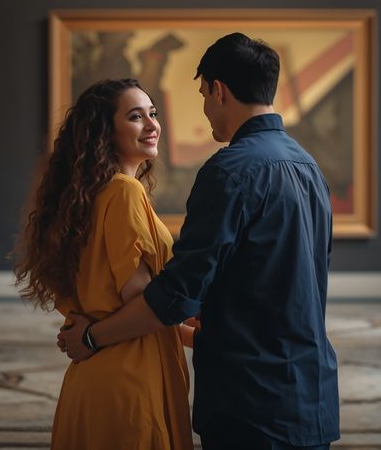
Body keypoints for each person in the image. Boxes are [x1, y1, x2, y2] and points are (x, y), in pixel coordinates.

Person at [58, 33, 341, 450]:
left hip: (249, 400)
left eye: (203, 94)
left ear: (218, 91)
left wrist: (90, 338)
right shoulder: (308, 167)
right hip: (309, 391)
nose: (205, 108)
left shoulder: (229, 171)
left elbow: (177, 294)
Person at [12, 78, 194, 450]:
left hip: (92, 377)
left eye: (153, 114)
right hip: (129, 377)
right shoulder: (124, 193)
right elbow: (144, 303)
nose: (151, 124)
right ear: (105, 132)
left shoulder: (90, 196)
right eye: (135, 116)